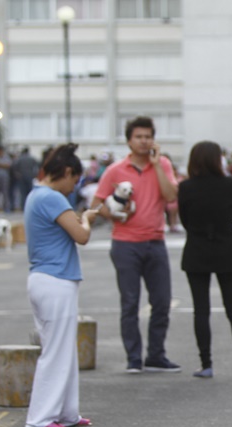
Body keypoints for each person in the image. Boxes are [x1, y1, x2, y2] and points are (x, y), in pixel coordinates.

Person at [91, 116, 180, 374]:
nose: (144, 141)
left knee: (162, 301)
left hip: (155, 241)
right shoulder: (115, 170)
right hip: (125, 243)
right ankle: (133, 357)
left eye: (148, 136)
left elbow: (171, 196)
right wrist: (117, 214)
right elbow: (96, 204)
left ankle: (156, 355)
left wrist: (158, 166)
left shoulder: (162, 164)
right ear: (129, 140)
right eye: (139, 137)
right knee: (130, 302)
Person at [23, 143, 98, 427]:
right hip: (56, 281)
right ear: (66, 172)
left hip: (44, 280)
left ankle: (66, 413)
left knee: (63, 349)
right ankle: (41, 417)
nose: (73, 188)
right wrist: (88, 220)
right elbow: (81, 235)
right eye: (74, 180)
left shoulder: (35, 195)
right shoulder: (52, 198)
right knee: (56, 351)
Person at [177, 141, 232, 379]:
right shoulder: (230, 184)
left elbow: (184, 220)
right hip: (226, 249)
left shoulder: (186, 187)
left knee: (201, 310)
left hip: (197, 249)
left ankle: (206, 364)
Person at [11, 147, 39, 212]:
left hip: (21, 177)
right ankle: (30, 206)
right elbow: (37, 166)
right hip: (30, 176)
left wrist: (17, 175)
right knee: (30, 193)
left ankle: (23, 207)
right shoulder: (31, 158)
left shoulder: (19, 159)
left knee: (22, 193)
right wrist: (34, 174)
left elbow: (14, 167)